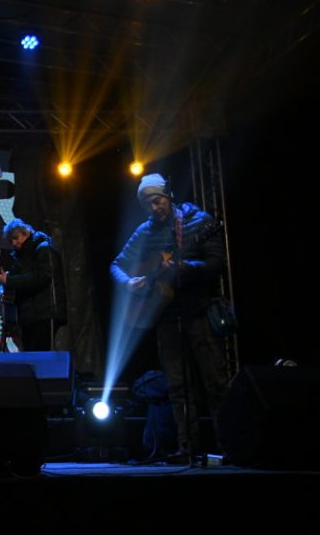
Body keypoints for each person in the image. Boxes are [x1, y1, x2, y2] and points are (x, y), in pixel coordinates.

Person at [111, 173, 228, 462]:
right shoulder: (145, 231)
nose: (154, 208)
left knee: (215, 382)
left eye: (157, 201)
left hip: (199, 311)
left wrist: (185, 266)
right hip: (166, 316)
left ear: (168, 196)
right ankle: (187, 447)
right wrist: (128, 282)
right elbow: (117, 265)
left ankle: (228, 444)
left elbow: (216, 264)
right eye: (148, 205)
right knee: (177, 386)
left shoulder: (199, 222)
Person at [0, 219, 66, 351]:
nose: (14, 243)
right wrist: (6, 283)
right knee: (31, 355)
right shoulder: (22, 256)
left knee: (40, 355)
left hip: (45, 313)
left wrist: (9, 280)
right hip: (30, 316)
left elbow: (43, 276)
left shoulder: (44, 248)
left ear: (26, 233)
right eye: (11, 241)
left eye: (16, 238)